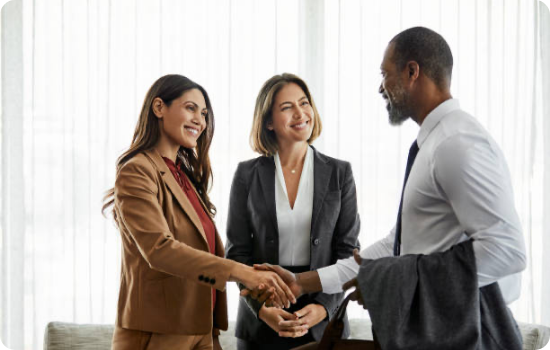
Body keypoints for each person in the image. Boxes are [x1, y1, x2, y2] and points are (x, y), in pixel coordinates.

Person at [249, 26, 526, 346]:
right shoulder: (434, 144)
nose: (382, 87)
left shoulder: (456, 143)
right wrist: (302, 282)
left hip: (464, 329)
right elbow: (396, 246)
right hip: (441, 326)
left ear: (412, 72)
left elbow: (507, 251)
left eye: (385, 74)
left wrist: (395, 284)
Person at [102, 74, 295, 350]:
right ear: (159, 108)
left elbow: (203, 255)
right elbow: (159, 250)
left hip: (202, 329)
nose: (200, 121)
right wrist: (242, 273)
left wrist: (258, 288)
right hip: (158, 332)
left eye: (203, 113)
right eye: (190, 108)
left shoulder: (185, 177)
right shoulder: (137, 169)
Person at [225, 73, 361, 350]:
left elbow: (348, 253)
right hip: (261, 317)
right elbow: (237, 254)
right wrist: (262, 311)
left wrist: (323, 308)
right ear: (269, 122)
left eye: (304, 103)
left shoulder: (340, 173)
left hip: (323, 320)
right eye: (287, 107)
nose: (301, 113)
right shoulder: (246, 175)